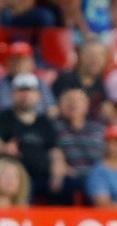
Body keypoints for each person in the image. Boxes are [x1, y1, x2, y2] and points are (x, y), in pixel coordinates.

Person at [0, 73, 67, 204]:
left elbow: (55, 152)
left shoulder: (45, 122)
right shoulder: (4, 118)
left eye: (30, 91)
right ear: (13, 94)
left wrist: (57, 175)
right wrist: (4, 148)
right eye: (21, 91)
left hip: (43, 177)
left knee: (67, 188)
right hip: (15, 176)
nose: (25, 95)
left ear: (38, 96)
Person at [0, 42, 57, 116]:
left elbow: (52, 108)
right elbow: (5, 109)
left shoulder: (39, 82)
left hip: (38, 120)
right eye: (15, 60)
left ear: (31, 63)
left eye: (23, 59)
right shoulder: (2, 84)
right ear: (8, 63)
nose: (19, 64)